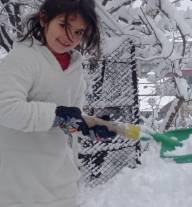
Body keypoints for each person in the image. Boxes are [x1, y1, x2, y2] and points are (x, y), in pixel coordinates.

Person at [0, 0, 115, 206]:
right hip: (19, 186)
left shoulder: (74, 67)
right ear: (44, 18)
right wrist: (57, 115)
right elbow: (5, 108)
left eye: (79, 32)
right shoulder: (22, 59)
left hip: (59, 183)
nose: (70, 38)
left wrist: (87, 126)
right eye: (63, 25)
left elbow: (67, 119)